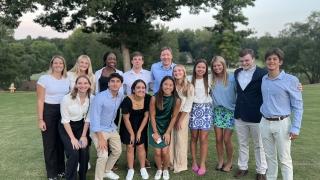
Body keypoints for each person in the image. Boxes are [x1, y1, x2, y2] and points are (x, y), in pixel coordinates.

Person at [260, 48, 303, 180]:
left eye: (275, 59)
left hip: (282, 123)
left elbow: (298, 105)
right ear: (266, 61)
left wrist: (295, 127)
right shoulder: (264, 79)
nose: (271, 61)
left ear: (280, 62)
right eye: (269, 59)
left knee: (285, 159)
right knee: (269, 157)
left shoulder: (291, 80)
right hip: (264, 122)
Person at [233, 49, 268, 180]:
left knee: (259, 145)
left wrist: (296, 86)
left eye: (247, 60)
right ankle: (242, 168)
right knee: (242, 143)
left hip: (257, 115)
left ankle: (261, 171)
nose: (244, 63)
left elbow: (275, 83)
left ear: (253, 59)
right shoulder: (237, 72)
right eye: (242, 61)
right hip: (240, 114)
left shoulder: (263, 73)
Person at [36, 55, 69, 180]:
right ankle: (51, 173)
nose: (58, 65)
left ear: (64, 65)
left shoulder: (67, 79)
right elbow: (40, 100)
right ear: (52, 64)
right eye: (56, 63)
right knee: (50, 144)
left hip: (63, 112)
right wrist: (40, 119)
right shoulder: (44, 79)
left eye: (61, 63)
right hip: (48, 112)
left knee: (61, 143)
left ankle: (61, 170)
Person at [90, 73, 124, 180]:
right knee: (103, 155)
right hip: (98, 129)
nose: (115, 84)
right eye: (112, 81)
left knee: (117, 151)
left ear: (121, 84)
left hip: (111, 128)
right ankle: (98, 178)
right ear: (108, 84)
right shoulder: (100, 97)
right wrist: (101, 138)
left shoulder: (120, 96)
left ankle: (106, 171)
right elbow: (94, 119)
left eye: (118, 82)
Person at [59, 75, 93, 180]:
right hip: (66, 127)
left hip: (81, 127)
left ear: (89, 85)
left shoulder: (92, 98)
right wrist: (73, 139)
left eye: (85, 83)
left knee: (84, 151)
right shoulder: (67, 98)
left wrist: (83, 136)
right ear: (76, 85)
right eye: (80, 83)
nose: (83, 85)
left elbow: (88, 119)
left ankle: (82, 177)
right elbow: (65, 121)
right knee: (74, 153)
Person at [122, 51, 152, 168]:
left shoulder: (149, 74)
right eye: (135, 59)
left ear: (143, 61)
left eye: (139, 59)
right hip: (131, 107)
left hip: (143, 105)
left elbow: (152, 88)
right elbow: (123, 90)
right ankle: (132, 160)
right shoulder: (125, 75)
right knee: (131, 136)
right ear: (132, 61)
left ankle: (145, 159)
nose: (137, 61)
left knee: (142, 134)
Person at [149, 76, 181, 180]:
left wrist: (168, 132)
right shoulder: (154, 98)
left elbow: (174, 117)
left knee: (165, 151)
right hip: (155, 126)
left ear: (174, 86)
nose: (168, 87)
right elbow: (152, 116)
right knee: (158, 152)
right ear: (161, 85)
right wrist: (155, 132)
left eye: (171, 85)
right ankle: (159, 169)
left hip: (167, 126)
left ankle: (166, 169)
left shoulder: (176, 100)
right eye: (165, 84)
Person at [120, 79, 151, 180]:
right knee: (130, 146)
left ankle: (142, 168)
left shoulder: (147, 98)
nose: (141, 89)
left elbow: (146, 116)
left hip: (141, 125)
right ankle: (131, 169)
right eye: (138, 87)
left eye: (143, 88)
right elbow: (125, 118)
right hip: (128, 125)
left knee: (141, 146)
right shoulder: (127, 100)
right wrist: (132, 133)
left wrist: (139, 132)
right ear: (133, 89)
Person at [210, 56, 236, 172]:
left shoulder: (232, 78)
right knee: (218, 139)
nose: (217, 68)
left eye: (219, 65)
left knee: (226, 139)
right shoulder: (211, 79)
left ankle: (229, 162)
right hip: (217, 111)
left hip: (230, 112)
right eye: (215, 66)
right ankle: (221, 161)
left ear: (224, 65)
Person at [189, 59, 213, 176]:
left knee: (203, 138)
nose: (200, 69)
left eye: (203, 67)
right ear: (195, 68)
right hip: (193, 109)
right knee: (194, 137)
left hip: (206, 109)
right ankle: (194, 162)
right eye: (198, 67)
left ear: (206, 69)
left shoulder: (209, 79)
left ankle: (202, 163)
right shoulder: (189, 79)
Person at [169, 64, 194, 173]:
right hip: (170, 115)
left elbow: (188, 105)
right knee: (170, 139)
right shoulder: (171, 85)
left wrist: (179, 120)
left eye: (180, 70)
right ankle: (169, 162)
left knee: (180, 139)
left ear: (184, 72)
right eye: (175, 71)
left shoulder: (189, 86)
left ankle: (180, 164)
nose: (177, 72)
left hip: (183, 116)